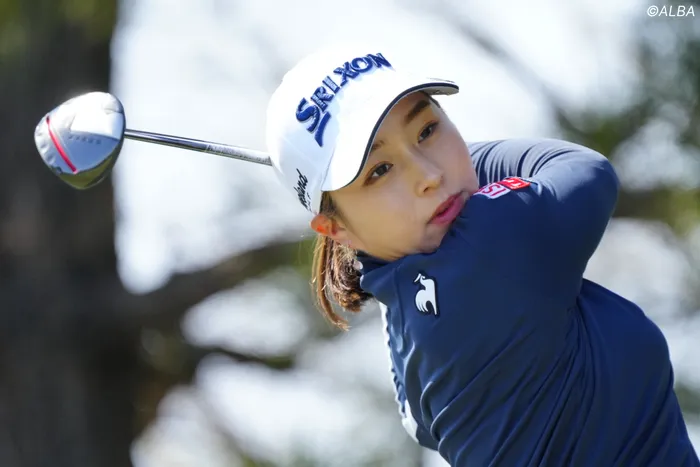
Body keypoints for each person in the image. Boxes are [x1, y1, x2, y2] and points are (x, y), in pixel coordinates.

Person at [264, 44, 700, 466]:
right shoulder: (494, 241)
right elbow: (586, 171)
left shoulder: (406, 333)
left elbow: (418, 425)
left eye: (427, 131)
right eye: (380, 170)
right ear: (336, 230)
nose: (429, 175)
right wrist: (460, 168)